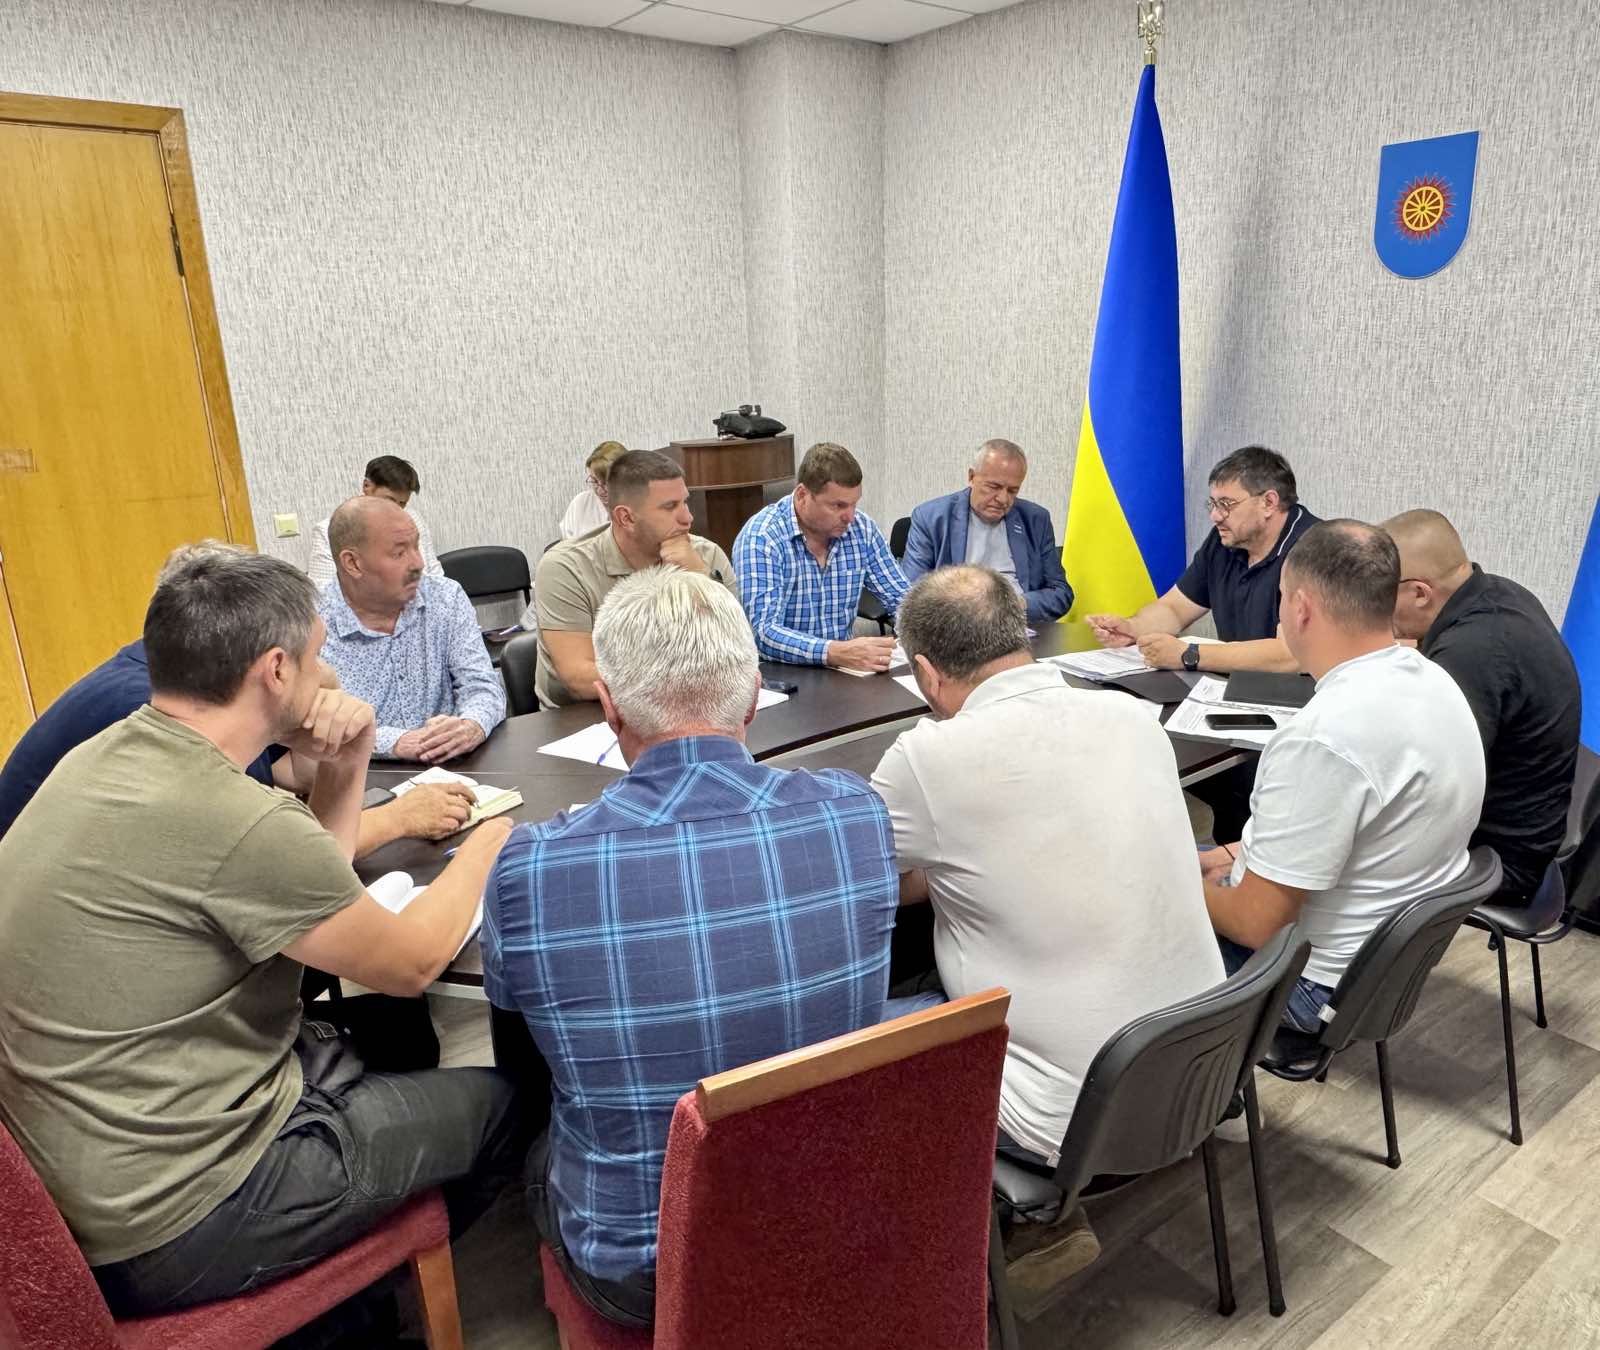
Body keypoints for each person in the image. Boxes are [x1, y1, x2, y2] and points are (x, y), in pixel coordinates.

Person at [0, 546, 530, 1328]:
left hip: (80, 1178)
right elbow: (411, 963)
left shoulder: (105, 755)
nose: (330, 679)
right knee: (511, 1100)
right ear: (276, 671)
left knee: (381, 1048)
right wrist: (492, 843)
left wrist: (347, 760)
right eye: (318, 658)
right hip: (184, 1214)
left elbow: (308, 879)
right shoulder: (235, 816)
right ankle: (354, 1307)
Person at [484, 567, 897, 1329]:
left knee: (533, 1133)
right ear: (751, 698)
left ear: (609, 706)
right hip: (829, 1213)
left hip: (645, 1270)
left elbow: (523, 1050)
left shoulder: (529, 866)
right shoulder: (855, 814)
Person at [871, 565, 1224, 1269]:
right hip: (1205, 1069)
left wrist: (951, 860)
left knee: (839, 1036)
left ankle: (1019, 1231)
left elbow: (862, 880)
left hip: (1070, 1123)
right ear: (1021, 637)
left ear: (926, 674)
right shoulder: (1134, 716)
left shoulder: (929, 756)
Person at [1198, 521, 1484, 1030]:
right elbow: (1357, 833)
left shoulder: (1322, 738)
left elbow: (1253, 924)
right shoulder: (1435, 679)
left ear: (1301, 607)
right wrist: (1230, 856)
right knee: (1195, 857)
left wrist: (1168, 881)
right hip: (1377, 967)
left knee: (1121, 900)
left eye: (1281, 597)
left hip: (1306, 984)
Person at [0, 634, 476, 852]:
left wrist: (324, 695)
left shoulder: (176, 677)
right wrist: (398, 818)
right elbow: (282, 856)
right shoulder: (162, 714)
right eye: (312, 653)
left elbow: (288, 774)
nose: (319, 664)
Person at [1385, 508, 1582, 904]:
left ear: (1420, 593)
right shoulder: (1500, 594)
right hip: (1529, 835)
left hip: (1497, 862)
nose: (1377, 607)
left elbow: (1425, 785)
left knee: (1329, 855)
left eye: (1381, 593)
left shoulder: (1472, 652)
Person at [1086, 445, 1318, 675]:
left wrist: (1189, 655)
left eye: (1226, 504)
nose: (1215, 516)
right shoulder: (1225, 540)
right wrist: (1133, 628)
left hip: (1297, 693)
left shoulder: (1314, 549)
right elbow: (1175, 608)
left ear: (1268, 502)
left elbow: (1290, 656)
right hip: (1235, 686)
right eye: (1213, 504)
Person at [533, 448, 736, 708]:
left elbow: (737, 652)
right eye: (670, 507)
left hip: (683, 707)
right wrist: (680, 677)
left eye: (685, 502)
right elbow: (579, 678)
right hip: (583, 715)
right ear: (626, 517)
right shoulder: (567, 567)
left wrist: (700, 581)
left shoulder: (705, 555)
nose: (687, 518)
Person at [319, 495, 506, 760]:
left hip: (452, 765)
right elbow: (314, 726)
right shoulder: (311, 625)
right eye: (399, 553)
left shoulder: (445, 597)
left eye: (416, 546)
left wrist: (470, 725)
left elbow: (482, 686)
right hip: (361, 775)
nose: (418, 563)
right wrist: (395, 743)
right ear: (353, 563)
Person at [733, 441, 910, 672]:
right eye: (838, 505)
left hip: (846, 672)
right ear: (802, 495)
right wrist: (834, 652)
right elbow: (765, 634)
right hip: (781, 674)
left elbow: (903, 600)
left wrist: (921, 632)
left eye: (854, 504)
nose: (850, 517)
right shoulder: (762, 538)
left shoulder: (861, 529)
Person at [901, 439, 1074, 623]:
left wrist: (1018, 604)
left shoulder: (1035, 519)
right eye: (994, 487)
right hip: (957, 625)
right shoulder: (932, 517)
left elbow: (1061, 593)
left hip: (1018, 623)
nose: (1003, 499)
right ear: (971, 477)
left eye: (1012, 491)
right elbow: (911, 594)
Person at [307, 454, 445, 588]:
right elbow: (321, 592)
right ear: (367, 486)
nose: (395, 510)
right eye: (389, 500)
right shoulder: (328, 531)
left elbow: (435, 575)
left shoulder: (413, 519)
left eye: (402, 503)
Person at [559, 440, 628, 540]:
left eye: (605, 483)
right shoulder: (580, 503)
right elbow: (565, 544)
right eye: (594, 481)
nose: (600, 491)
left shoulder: (638, 504)